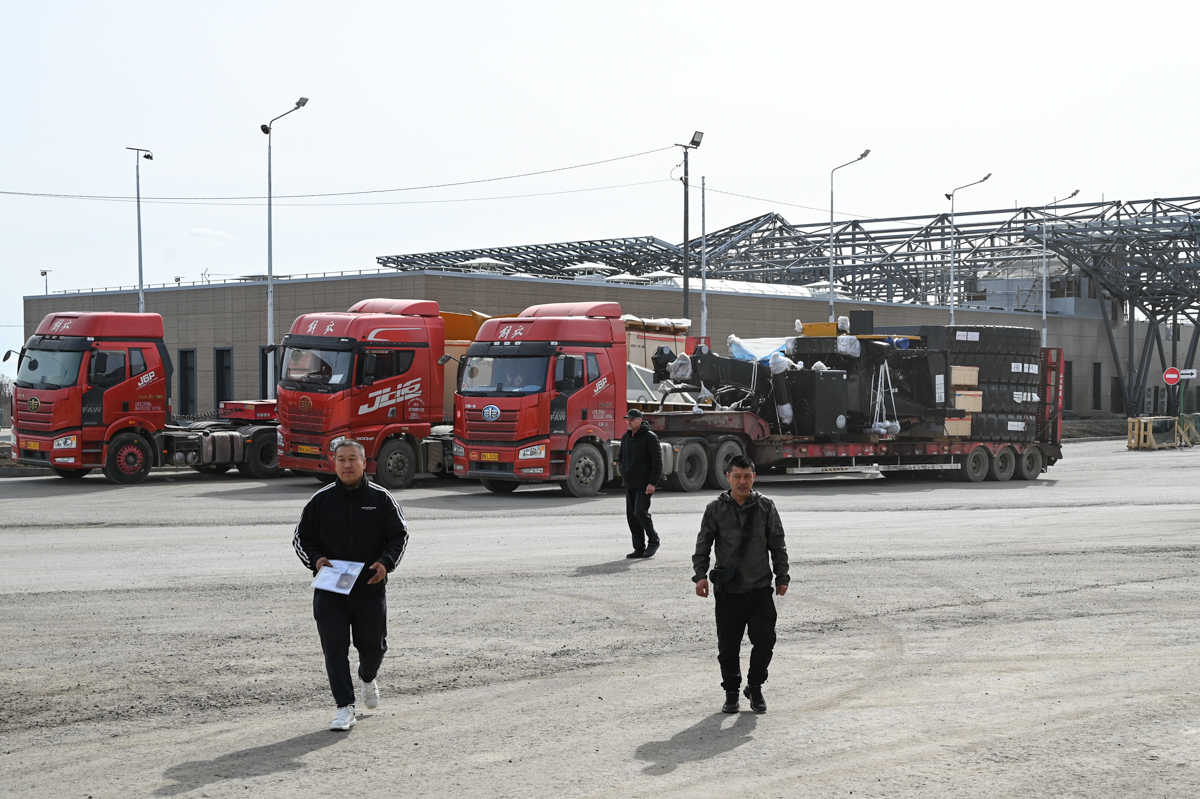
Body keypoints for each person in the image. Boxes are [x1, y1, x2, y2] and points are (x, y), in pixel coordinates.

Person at [293, 439, 409, 731]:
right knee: (335, 649)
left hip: (369, 588)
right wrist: (316, 560)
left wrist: (386, 563)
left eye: (353, 459)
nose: (347, 464)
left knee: (374, 649)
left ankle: (367, 676)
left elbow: (400, 535)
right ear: (334, 464)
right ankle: (344, 707)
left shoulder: (381, 498)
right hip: (330, 590)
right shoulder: (320, 500)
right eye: (341, 459)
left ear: (364, 462)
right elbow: (301, 538)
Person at [692, 454, 789, 714]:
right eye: (737, 476)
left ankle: (754, 687)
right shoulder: (715, 509)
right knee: (728, 647)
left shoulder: (766, 506)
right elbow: (703, 545)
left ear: (754, 477)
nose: (742, 482)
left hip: (759, 588)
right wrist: (700, 575)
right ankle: (731, 692)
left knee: (765, 640)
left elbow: (777, 543)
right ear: (728, 477)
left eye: (747, 476)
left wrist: (782, 576)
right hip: (728, 591)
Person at [619, 408, 662, 558]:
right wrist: (622, 470)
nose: (629, 422)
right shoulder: (626, 437)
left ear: (640, 420)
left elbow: (657, 463)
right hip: (630, 483)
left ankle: (654, 541)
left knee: (640, 512)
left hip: (644, 484)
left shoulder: (650, 437)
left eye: (631, 419)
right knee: (632, 517)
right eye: (627, 419)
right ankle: (638, 548)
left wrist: (652, 483)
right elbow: (621, 457)